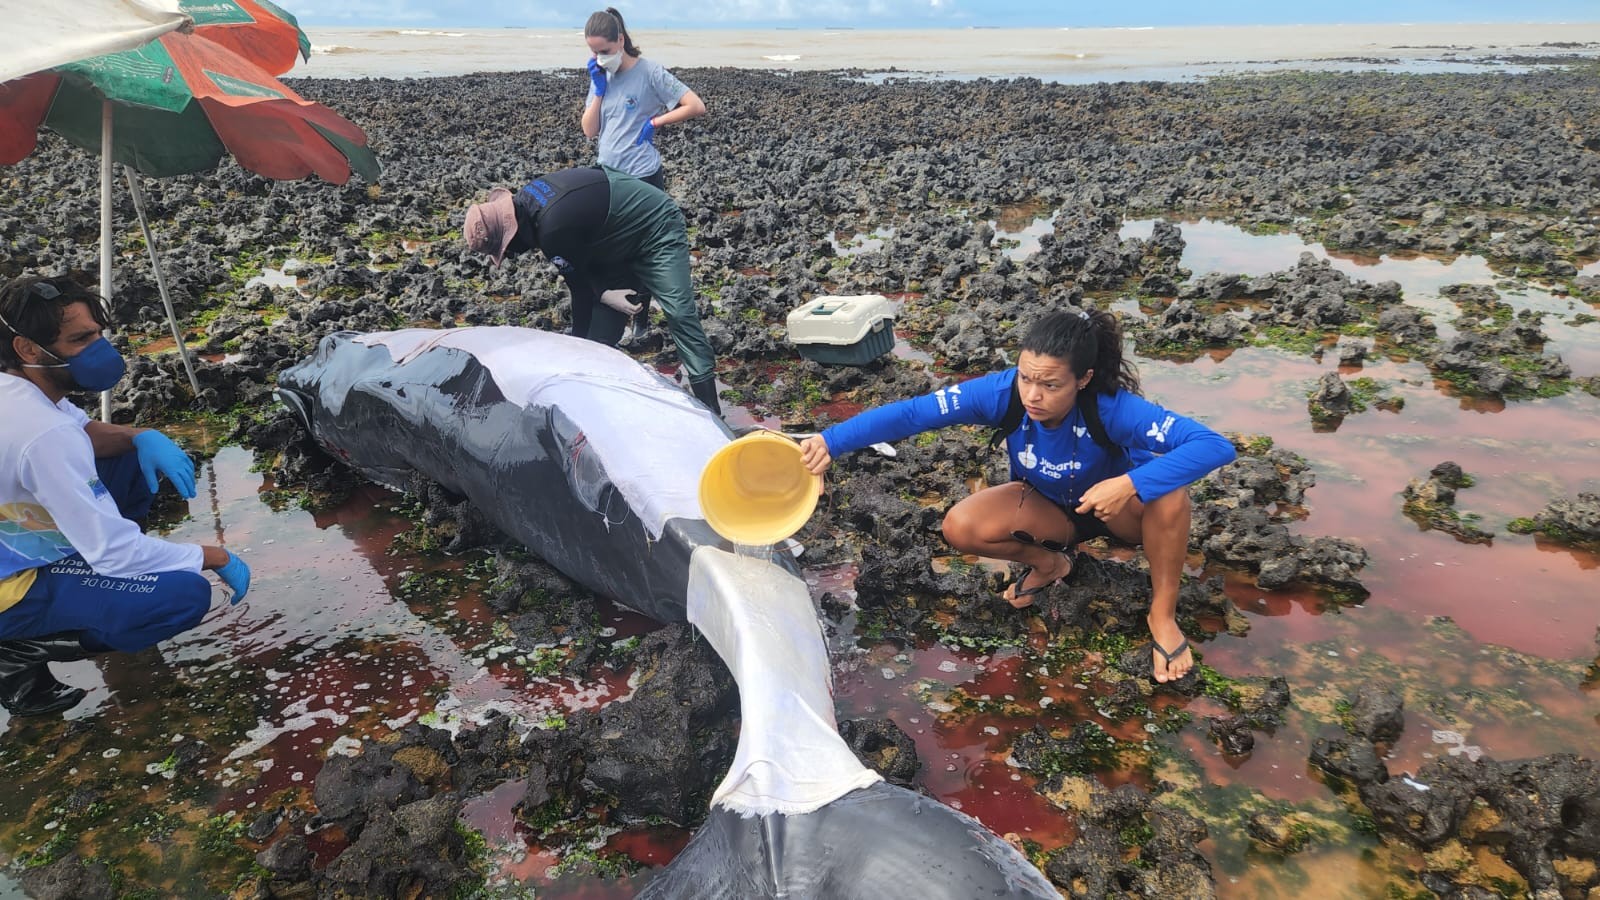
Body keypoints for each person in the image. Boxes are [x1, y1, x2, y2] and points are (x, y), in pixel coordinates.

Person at [799, 308, 1235, 683]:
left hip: (1119, 512)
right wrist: (832, 440)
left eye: (1050, 385)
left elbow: (1213, 445)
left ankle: (1162, 615)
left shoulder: (1112, 408)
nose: (1032, 395)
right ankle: (1051, 563)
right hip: (1052, 508)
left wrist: (1131, 483)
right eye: (1026, 377)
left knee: (1171, 494)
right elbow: (916, 413)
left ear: (1082, 379)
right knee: (960, 525)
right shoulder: (1002, 394)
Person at [0, 275, 250, 717]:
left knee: (130, 457)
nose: (100, 348)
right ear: (27, 349)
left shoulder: (23, 390)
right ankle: (12, 652)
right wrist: (215, 557)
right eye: (81, 339)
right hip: (8, 586)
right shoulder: (40, 433)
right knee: (180, 596)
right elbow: (114, 553)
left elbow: (84, 433)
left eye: (99, 333)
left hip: (16, 537)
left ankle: (76, 587)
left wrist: (142, 435)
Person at [463, 166, 721, 414]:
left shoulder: (552, 229)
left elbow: (581, 289)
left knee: (679, 313)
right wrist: (582, 343)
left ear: (513, 233)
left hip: (655, 225)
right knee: (599, 338)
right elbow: (581, 276)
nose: (510, 255)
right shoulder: (530, 202)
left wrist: (602, 298)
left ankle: (712, 409)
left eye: (506, 250)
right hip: (610, 239)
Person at [581, 7, 706, 192]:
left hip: (642, 175)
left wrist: (655, 122)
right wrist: (599, 92)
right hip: (608, 173)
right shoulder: (600, 75)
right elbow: (590, 130)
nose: (600, 58)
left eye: (605, 51)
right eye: (594, 52)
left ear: (620, 40)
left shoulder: (650, 72)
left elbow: (696, 105)